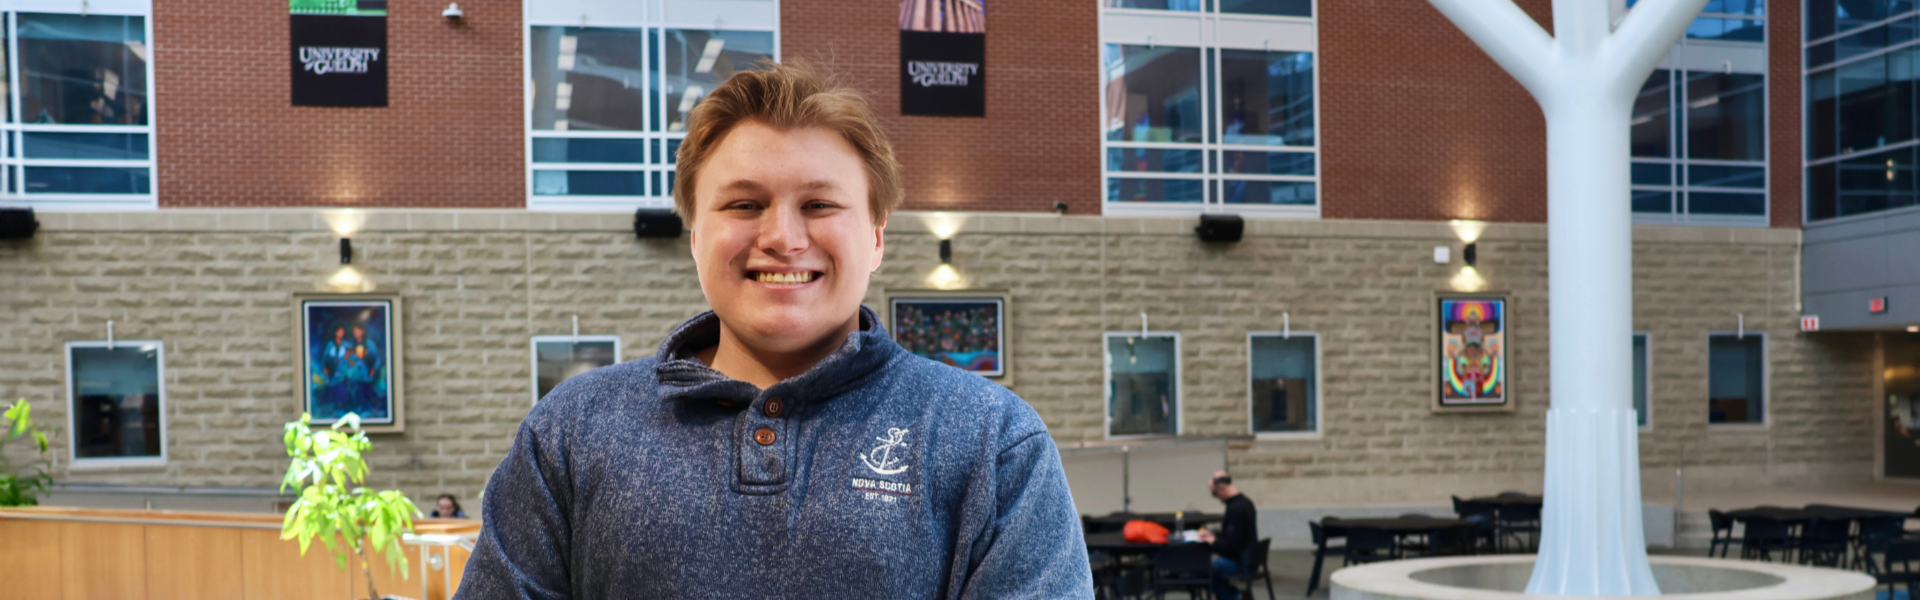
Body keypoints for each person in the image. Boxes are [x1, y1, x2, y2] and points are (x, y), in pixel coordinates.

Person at [456, 61, 1092, 598]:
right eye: (744, 204)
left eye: (818, 205)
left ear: (875, 239)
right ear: (697, 236)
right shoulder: (572, 431)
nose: (782, 238)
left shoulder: (992, 440)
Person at [1195, 471, 1257, 600]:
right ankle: (1228, 595)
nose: (1216, 497)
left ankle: (1234, 596)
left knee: (1202, 571)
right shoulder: (1244, 502)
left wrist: (1212, 540)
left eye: (1214, 493)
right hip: (1248, 558)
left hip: (1241, 562)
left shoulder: (1236, 508)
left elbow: (1230, 547)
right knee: (1209, 568)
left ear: (1222, 488)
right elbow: (1233, 536)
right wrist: (1213, 536)